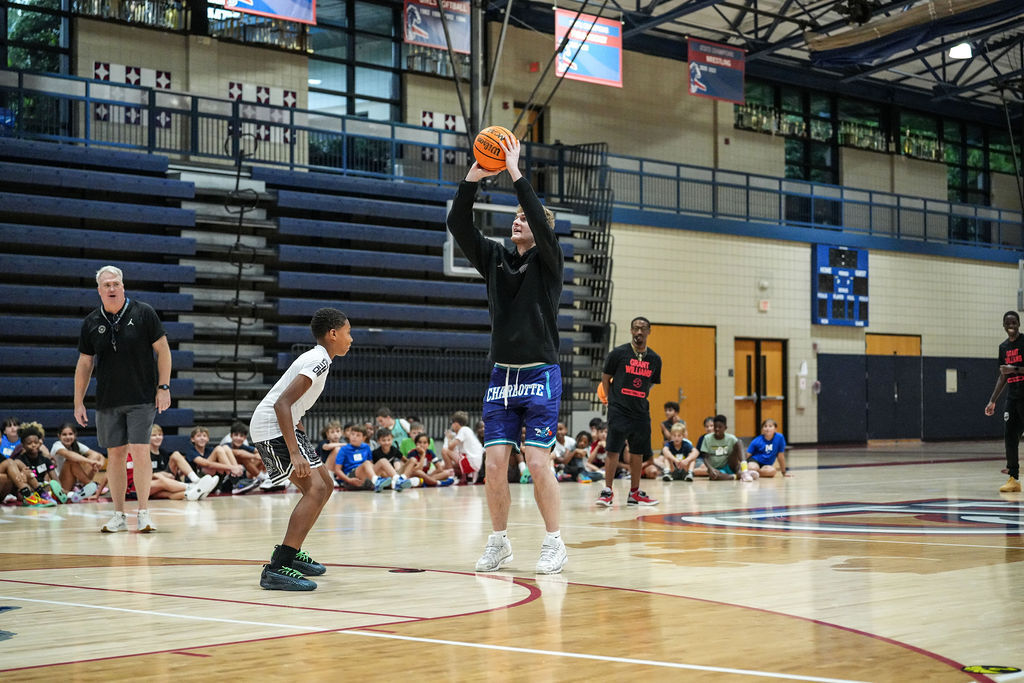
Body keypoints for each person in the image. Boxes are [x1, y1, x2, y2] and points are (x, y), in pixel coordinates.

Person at [446, 133, 568, 574]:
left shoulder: (550, 261)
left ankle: (554, 542)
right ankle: (499, 542)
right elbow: (458, 224)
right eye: (514, 217)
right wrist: (473, 177)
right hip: (502, 377)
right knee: (494, 465)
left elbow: (536, 214)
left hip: (540, 374)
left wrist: (515, 169)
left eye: (523, 217)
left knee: (536, 461)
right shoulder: (496, 258)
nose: (517, 220)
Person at [249, 308, 351, 591]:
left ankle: (292, 553)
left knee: (326, 485)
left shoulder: (320, 359)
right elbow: (281, 403)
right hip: (271, 428)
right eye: (348, 332)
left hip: (288, 426)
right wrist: (295, 453)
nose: (351, 339)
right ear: (333, 334)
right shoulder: (317, 360)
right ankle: (277, 567)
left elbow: (291, 405)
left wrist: (298, 431)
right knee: (315, 489)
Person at [75, 265, 172, 533]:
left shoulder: (144, 313)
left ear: (123, 286)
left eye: (116, 283)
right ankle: (118, 514)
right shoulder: (91, 322)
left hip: (141, 396)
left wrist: (163, 386)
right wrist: (78, 401)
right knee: (115, 455)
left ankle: (143, 513)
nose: (112, 288)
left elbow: (163, 351)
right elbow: (85, 364)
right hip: (108, 399)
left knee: (140, 450)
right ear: (99, 290)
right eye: (106, 285)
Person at [595, 316, 662, 508]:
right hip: (618, 409)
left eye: (643, 328)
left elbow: (651, 384)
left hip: (640, 412)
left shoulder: (655, 359)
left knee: (638, 451)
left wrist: (637, 396)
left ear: (649, 331)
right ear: (631, 331)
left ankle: (634, 493)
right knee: (612, 449)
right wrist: (611, 401)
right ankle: (607, 491)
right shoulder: (618, 353)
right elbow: (606, 378)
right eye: (636, 328)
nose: (639, 332)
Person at [985, 310, 1024, 492]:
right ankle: (1013, 479)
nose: (1011, 326)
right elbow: (1003, 376)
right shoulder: (1003, 347)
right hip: (1012, 397)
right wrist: (992, 401)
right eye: (1008, 323)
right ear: (1003, 325)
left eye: (1014, 322)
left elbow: (1009, 370)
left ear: (1019, 324)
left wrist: (1014, 369)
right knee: (1010, 437)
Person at [50, 422, 107, 497]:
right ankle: (92, 486)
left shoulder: (76, 444)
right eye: (64, 434)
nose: (68, 437)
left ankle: (81, 486)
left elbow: (99, 455)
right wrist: (90, 461)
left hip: (74, 482)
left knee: (95, 456)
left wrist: (100, 464)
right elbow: (69, 455)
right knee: (71, 461)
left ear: (75, 435)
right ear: (59, 436)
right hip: (61, 484)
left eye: (70, 434)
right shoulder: (57, 445)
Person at [13, 423, 64, 502]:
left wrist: (60, 490)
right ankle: (35, 497)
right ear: (23, 445)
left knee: (51, 486)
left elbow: (56, 480)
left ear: (39, 443)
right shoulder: (20, 460)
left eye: (36, 442)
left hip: (43, 487)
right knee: (23, 490)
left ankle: (44, 496)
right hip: (29, 486)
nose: (33, 445)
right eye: (29, 443)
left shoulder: (46, 460)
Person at [694, 415, 748, 481]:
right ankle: (736, 476)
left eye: (720, 427)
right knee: (714, 476)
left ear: (725, 428)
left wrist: (743, 465)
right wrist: (710, 468)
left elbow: (741, 450)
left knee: (739, 442)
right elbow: (705, 457)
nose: (717, 429)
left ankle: (745, 472)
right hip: (716, 468)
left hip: (729, 464)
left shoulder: (731, 438)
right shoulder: (707, 438)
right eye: (715, 427)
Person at [443, 411, 484, 484]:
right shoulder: (467, 430)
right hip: (475, 463)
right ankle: (465, 476)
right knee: (445, 466)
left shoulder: (463, 430)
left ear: (456, 424)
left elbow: (450, 448)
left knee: (444, 451)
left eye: (452, 423)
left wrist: (449, 438)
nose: (452, 426)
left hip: (471, 462)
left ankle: (451, 477)